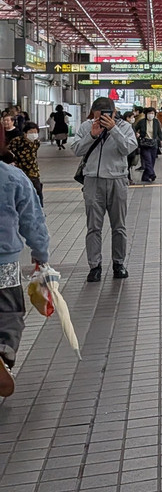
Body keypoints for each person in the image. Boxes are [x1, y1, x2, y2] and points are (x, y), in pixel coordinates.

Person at [0, 131, 50, 398]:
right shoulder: (11, 176)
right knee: (8, 313)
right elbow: (33, 219)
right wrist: (40, 253)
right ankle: (3, 353)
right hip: (3, 262)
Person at [73, 97, 137, 282]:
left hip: (117, 180)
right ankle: (95, 266)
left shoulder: (124, 127)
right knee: (93, 227)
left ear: (113, 113)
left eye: (105, 115)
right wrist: (91, 135)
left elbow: (128, 148)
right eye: (97, 115)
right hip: (93, 180)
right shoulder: (87, 126)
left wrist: (113, 130)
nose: (100, 119)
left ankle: (119, 264)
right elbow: (76, 149)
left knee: (119, 226)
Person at [8, 122, 42, 206]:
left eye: (35, 132)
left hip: (33, 170)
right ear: (25, 133)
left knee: (37, 190)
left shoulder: (36, 142)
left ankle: (39, 207)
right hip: (20, 171)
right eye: (31, 132)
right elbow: (9, 151)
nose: (33, 134)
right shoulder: (17, 141)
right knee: (22, 192)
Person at [133, 106, 162, 183]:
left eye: (152, 113)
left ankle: (145, 177)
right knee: (148, 160)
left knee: (152, 161)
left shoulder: (156, 122)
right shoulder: (141, 122)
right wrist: (137, 133)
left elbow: (159, 132)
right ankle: (152, 174)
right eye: (149, 113)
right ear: (146, 114)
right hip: (144, 144)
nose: (151, 115)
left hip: (153, 144)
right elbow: (134, 129)